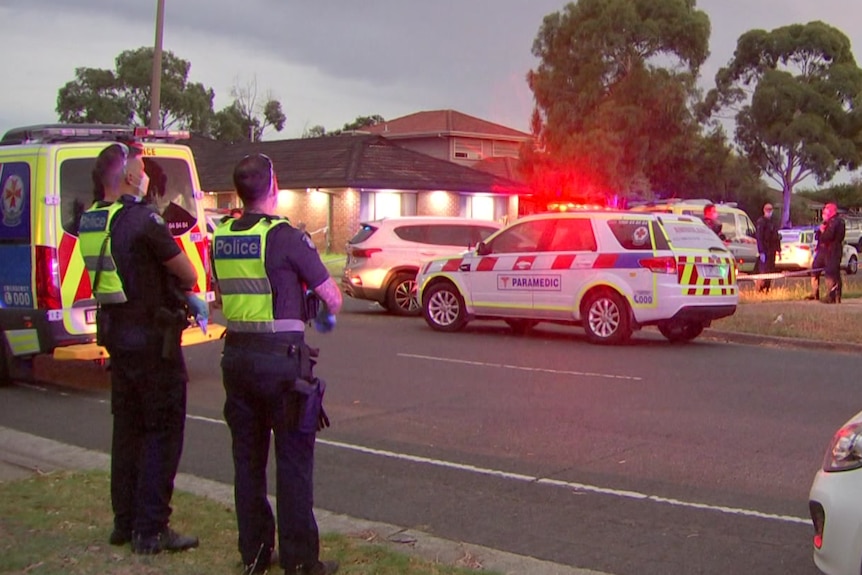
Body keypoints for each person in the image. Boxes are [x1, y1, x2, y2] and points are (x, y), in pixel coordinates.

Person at [212, 154, 343, 575]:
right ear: (274, 185)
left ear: (238, 192)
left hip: (236, 359)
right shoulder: (286, 237)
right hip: (282, 365)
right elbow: (333, 297)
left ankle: (253, 554)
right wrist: (316, 307)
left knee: (247, 462)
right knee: (292, 463)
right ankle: (301, 561)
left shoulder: (222, 236)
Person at [79, 142, 208, 554]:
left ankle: (125, 521)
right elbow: (187, 272)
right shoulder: (142, 219)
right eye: (142, 168)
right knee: (162, 431)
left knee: (128, 430)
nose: (147, 174)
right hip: (153, 340)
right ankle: (152, 528)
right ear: (131, 177)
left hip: (117, 335)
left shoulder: (91, 219)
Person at [811, 202, 845, 304]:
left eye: (826, 212)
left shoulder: (836, 222)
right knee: (815, 269)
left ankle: (833, 296)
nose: (824, 215)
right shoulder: (828, 222)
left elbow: (828, 236)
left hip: (833, 250)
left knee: (831, 273)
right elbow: (818, 237)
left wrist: (822, 231)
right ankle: (815, 294)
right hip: (823, 250)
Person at [754, 202, 781, 293]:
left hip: (772, 251)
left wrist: (779, 250)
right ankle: (760, 289)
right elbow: (759, 237)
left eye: (770, 210)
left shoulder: (773, 222)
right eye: (768, 210)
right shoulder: (761, 222)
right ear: (764, 210)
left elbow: (776, 237)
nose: (769, 212)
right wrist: (761, 251)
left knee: (771, 271)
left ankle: (767, 289)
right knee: (763, 271)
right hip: (765, 250)